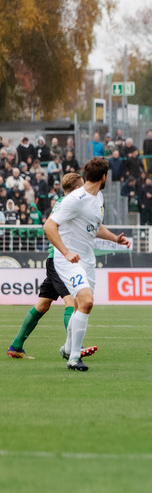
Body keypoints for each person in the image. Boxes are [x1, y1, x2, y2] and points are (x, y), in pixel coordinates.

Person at [43, 158, 130, 371]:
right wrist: (65, 252)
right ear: (104, 177)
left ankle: (66, 347)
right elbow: (49, 226)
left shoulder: (98, 197)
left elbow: (95, 227)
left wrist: (115, 239)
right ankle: (73, 358)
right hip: (68, 260)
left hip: (87, 261)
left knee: (82, 306)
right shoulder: (74, 199)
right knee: (87, 301)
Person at [7, 173, 97, 360]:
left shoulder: (63, 202)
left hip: (54, 259)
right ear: (76, 188)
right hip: (61, 260)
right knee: (72, 303)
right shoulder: (71, 203)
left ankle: (16, 346)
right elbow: (49, 227)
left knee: (43, 304)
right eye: (82, 186)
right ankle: (75, 347)